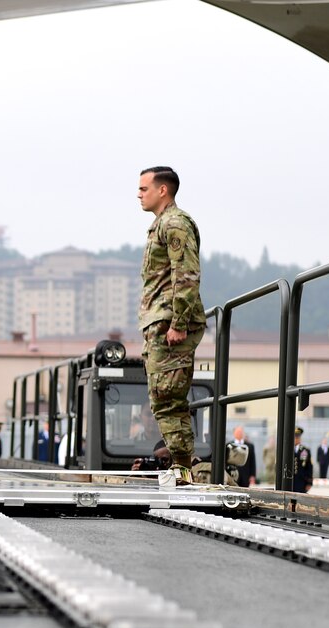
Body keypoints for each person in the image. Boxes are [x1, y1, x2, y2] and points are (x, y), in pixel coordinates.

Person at [137, 166, 206, 484]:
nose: (139, 194)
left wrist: (178, 323)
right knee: (164, 397)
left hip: (170, 323)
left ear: (162, 190)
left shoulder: (174, 223)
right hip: (160, 321)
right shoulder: (161, 225)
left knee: (168, 397)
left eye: (144, 188)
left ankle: (183, 468)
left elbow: (187, 273)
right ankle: (182, 468)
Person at [291, 426, 313, 493]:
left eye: (297, 437)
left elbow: (309, 467)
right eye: (294, 437)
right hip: (289, 482)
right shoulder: (287, 450)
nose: (296, 439)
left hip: (302, 482)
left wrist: (309, 483)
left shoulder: (305, 451)